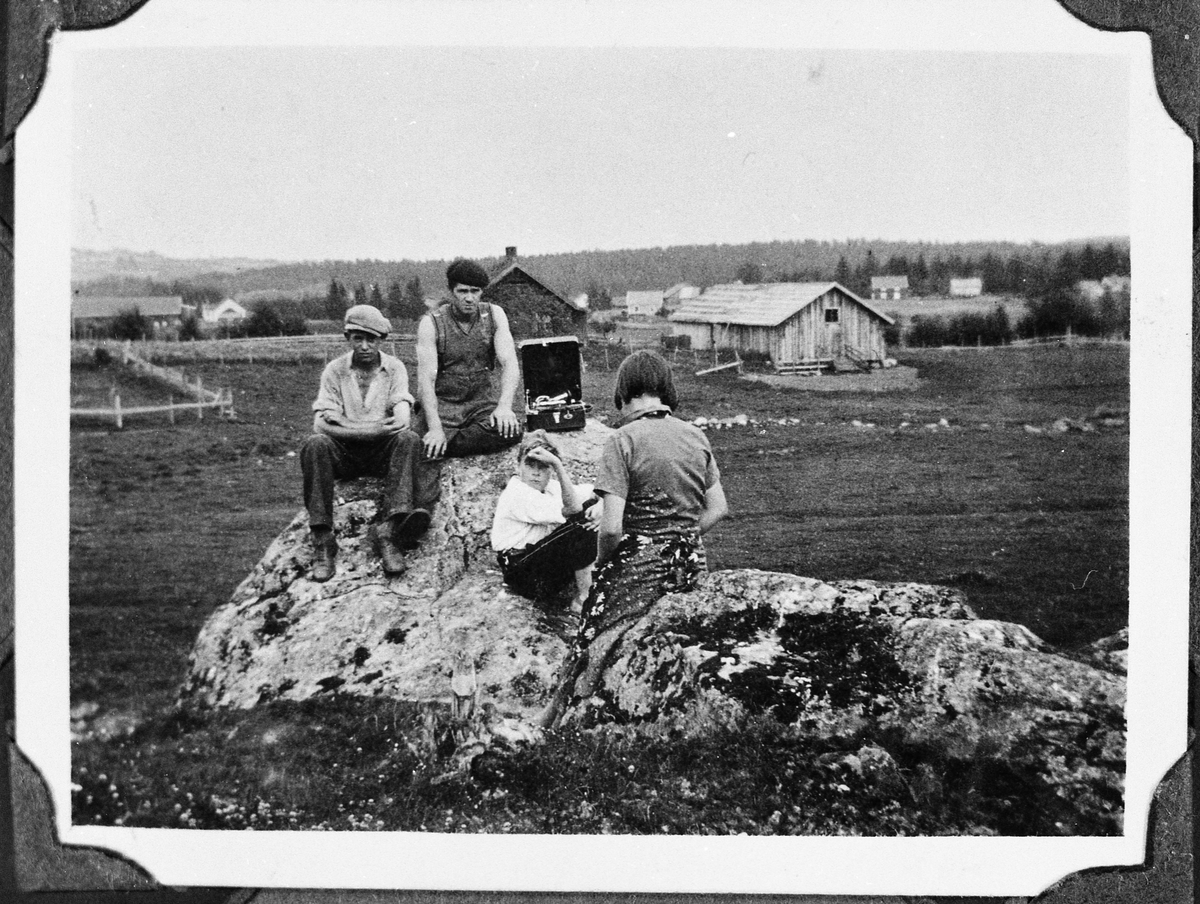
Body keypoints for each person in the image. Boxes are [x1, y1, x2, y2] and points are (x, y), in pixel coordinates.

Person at [539, 350, 729, 728]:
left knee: (591, 634)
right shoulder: (695, 435)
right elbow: (718, 507)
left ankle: (553, 720)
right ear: (665, 391)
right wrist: (682, 536)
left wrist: (605, 566)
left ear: (624, 393)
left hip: (640, 566)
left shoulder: (622, 440)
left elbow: (611, 528)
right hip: (690, 562)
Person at [300, 305, 438, 581]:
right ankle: (322, 538)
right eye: (357, 338)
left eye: (371, 340)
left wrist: (345, 425)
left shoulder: (394, 368)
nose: (364, 346)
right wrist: (373, 428)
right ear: (347, 338)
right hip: (344, 454)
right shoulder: (334, 371)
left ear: (381, 340)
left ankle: (389, 531)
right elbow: (320, 424)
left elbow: (401, 421)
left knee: (409, 440)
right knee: (315, 443)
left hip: (381, 453)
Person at [413, 258, 522, 459]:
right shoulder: (432, 324)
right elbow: (426, 381)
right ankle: (443, 440)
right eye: (463, 291)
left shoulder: (494, 315)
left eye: (476, 291)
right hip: (444, 406)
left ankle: (448, 444)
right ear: (451, 291)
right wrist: (436, 428)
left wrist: (504, 407)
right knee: (416, 441)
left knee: (511, 431)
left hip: (480, 406)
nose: (470, 298)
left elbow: (509, 363)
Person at [490, 430, 600, 610]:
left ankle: (592, 586)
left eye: (543, 467)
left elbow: (596, 491)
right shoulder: (517, 493)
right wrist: (558, 465)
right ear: (519, 466)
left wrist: (602, 504)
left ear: (549, 472)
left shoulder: (551, 488)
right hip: (522, 573)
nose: (536, 473)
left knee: (593, 508)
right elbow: (573, 509)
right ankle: (584, 600)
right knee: (582, 522)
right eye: (530, 465)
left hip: (539, 563)